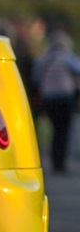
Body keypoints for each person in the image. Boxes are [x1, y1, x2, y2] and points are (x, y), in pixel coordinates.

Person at [33, 27, 80, 174]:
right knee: (63, 131)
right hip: (65, 97)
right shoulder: (67, 57)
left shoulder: (43, 59)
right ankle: (61, 162)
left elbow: (35, 77)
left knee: (54, 130)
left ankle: (54, 161)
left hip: (48, 99)